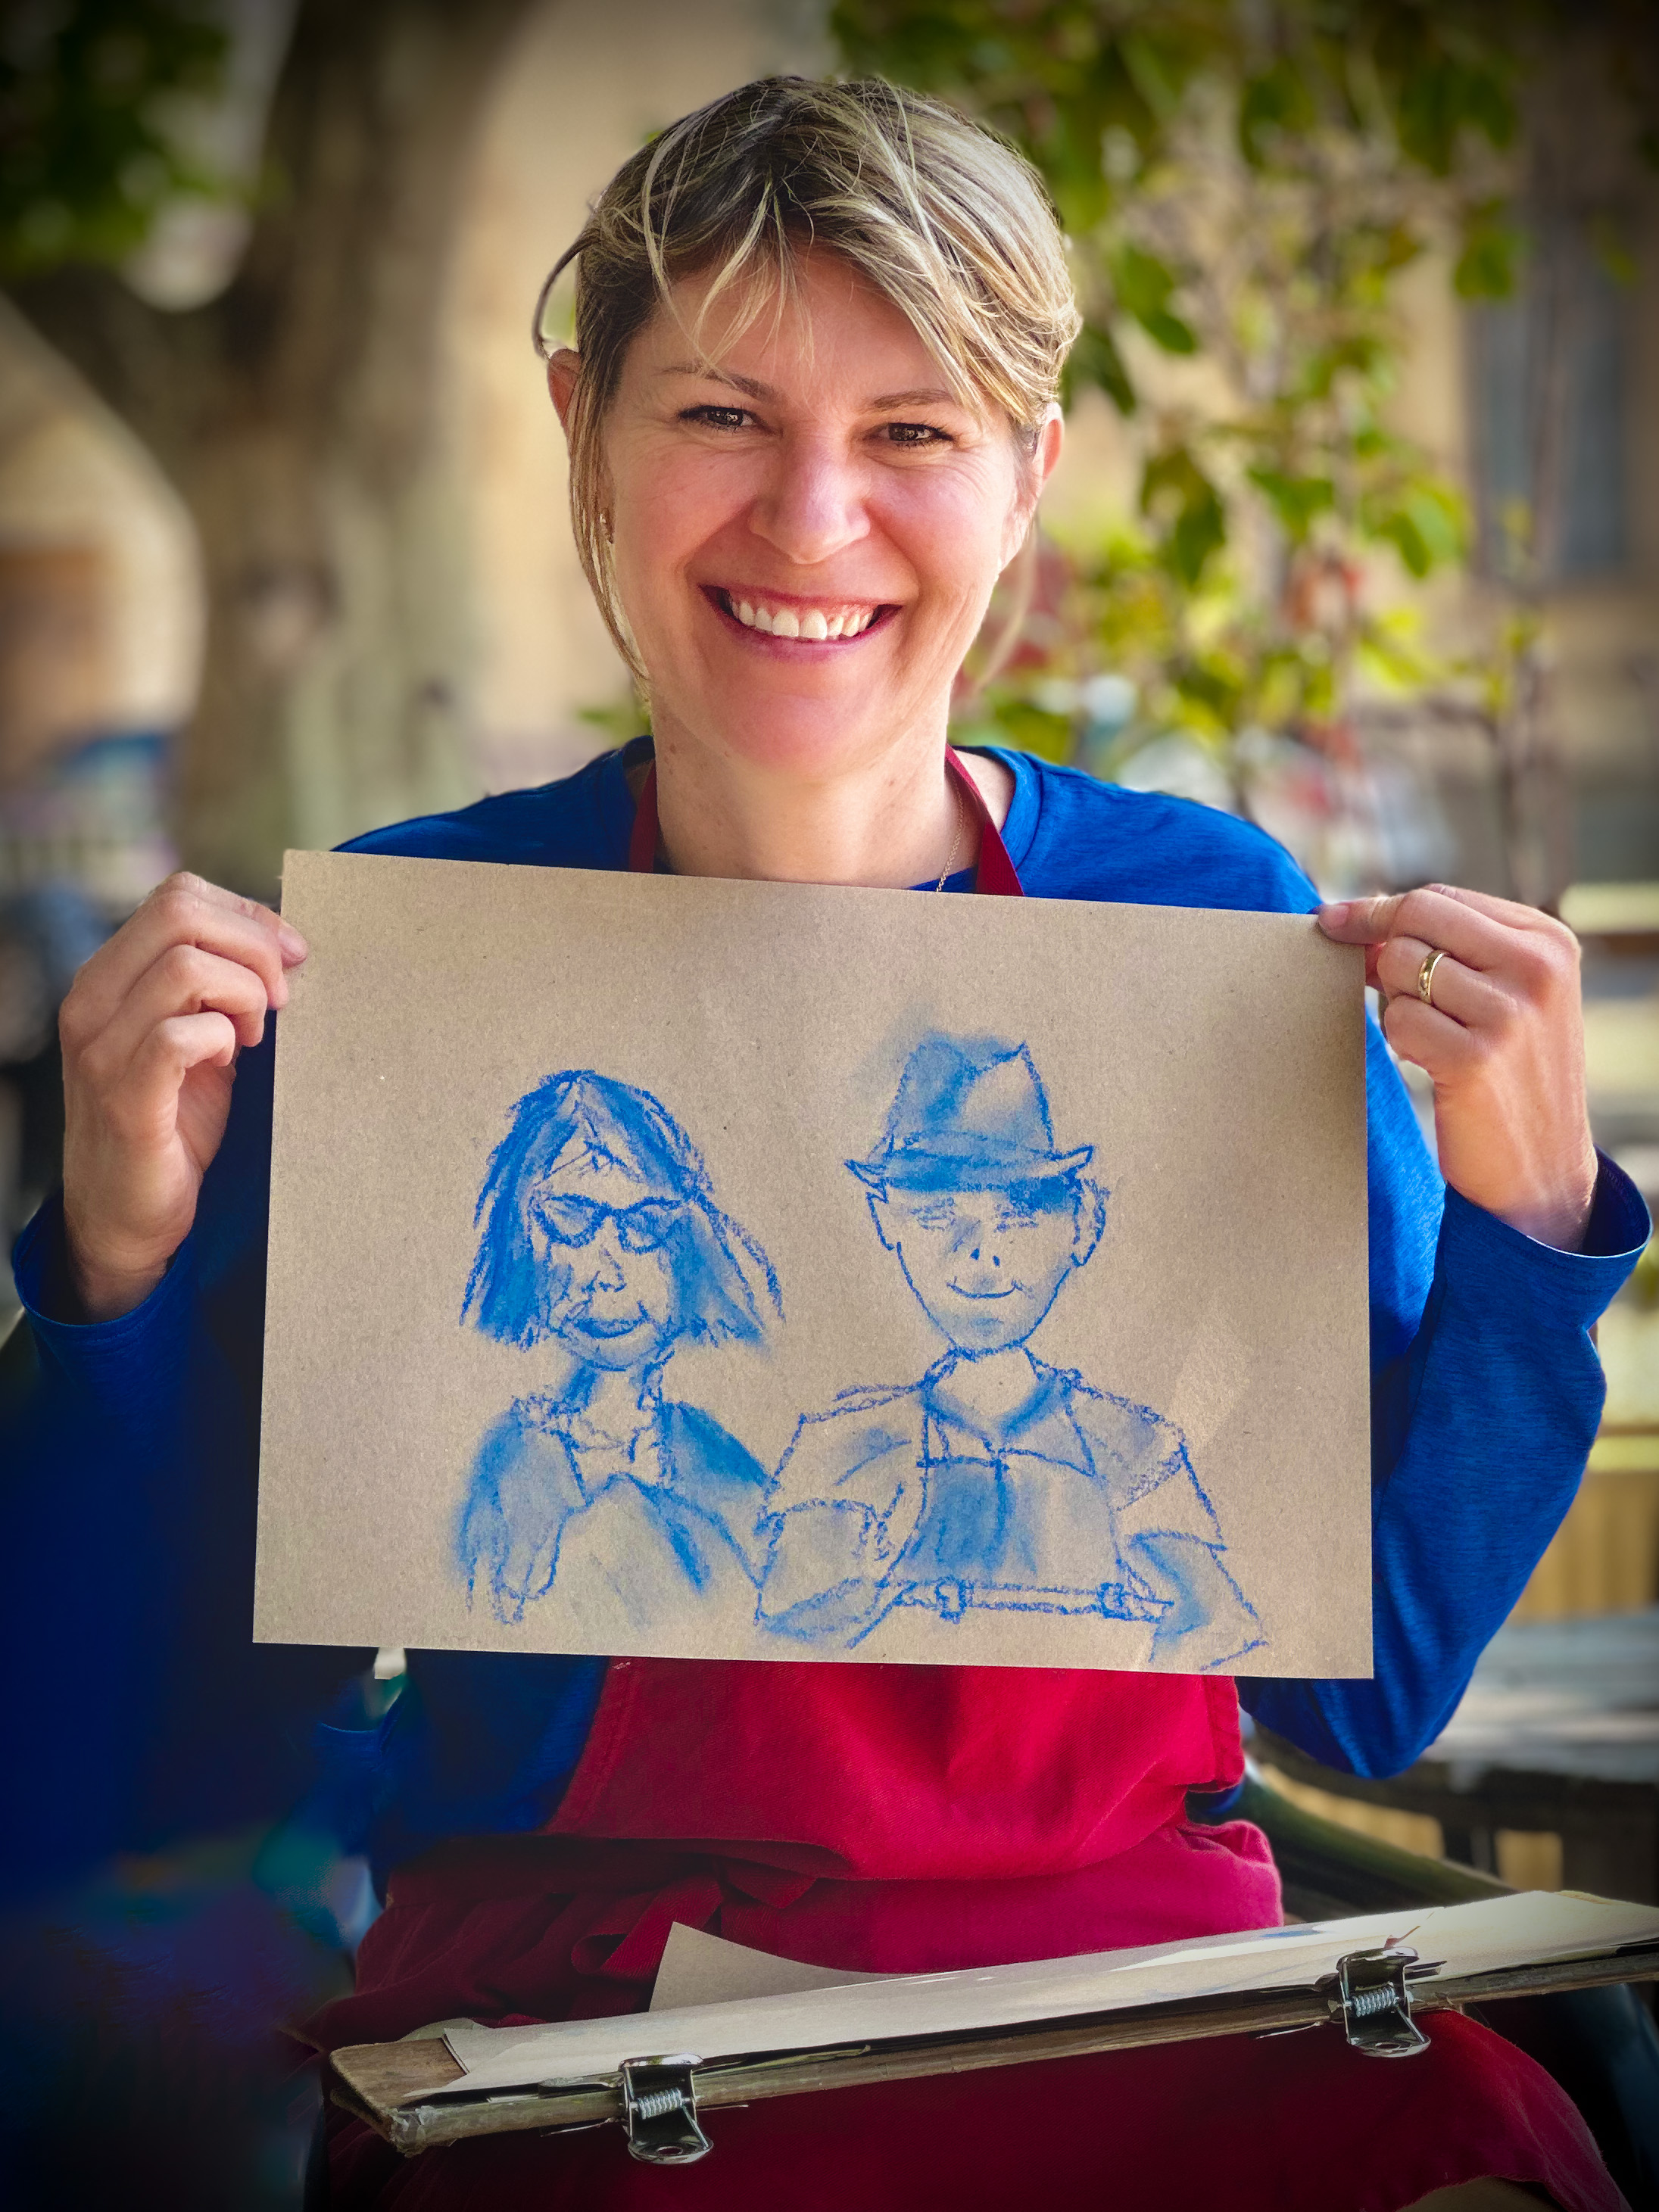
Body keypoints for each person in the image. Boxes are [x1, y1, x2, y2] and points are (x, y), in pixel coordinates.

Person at [8, 75, 1649, 2212]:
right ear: (583, 427)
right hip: (590, 2053)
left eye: (911, 431)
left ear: (1027, 472)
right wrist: (117, 1271)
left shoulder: (1207, 926)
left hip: (1156, 2002)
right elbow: (141, 1755)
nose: (809, 519)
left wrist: (1532, 1228)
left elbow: (1365, 1682)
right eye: (719, 413)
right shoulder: (400, 969)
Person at [759, 1031, 1261, 1669]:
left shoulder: (1130, 1448)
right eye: (939, 1215)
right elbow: (786, 1638)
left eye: (1017, 1215)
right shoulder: (846, 1447)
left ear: (1079, 1225)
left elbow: (1213, 1626)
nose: (981, 1252)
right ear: (887, 1220)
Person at [457, 1069, 781, 1634]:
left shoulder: (719, 1459)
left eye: (643, 1224)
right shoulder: (506, 1465)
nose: (607, 1274)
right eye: (572, 1220)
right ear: (520, 1235)